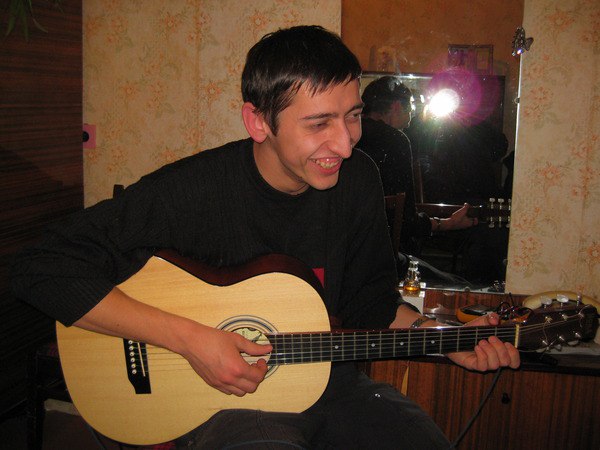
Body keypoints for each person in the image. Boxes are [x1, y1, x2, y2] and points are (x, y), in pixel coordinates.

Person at [11, 26, 519, 449]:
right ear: (258, 121)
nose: (344, 144)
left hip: (326, 383)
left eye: (353, 116)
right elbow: (39, 266)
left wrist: (443, 339)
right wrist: (190, 340)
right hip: (224, 403)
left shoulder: (358, 179)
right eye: (318, 123)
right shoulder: (195, 189)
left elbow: (371, 304)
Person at [357, 76, 476, 270]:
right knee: (457, 283)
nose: (411, 119)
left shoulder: (350, 133)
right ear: (397, 106)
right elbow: (406, 222)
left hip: (349, 252)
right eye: (411, 109)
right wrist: (447, 224)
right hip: (382, 259)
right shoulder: (395, 141)